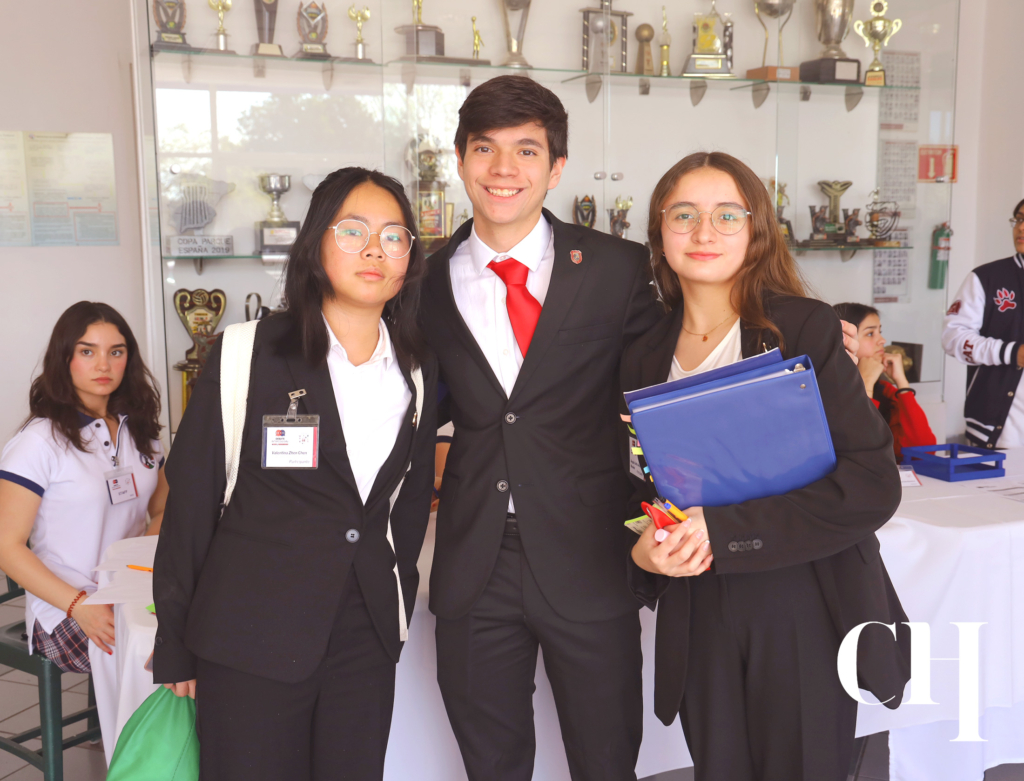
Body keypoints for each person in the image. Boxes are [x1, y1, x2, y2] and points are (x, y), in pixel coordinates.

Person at [621, 152, 911, 781]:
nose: (704, 231)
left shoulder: (800, 328)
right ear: (659, 231)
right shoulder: (643, 354)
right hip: (699, 610)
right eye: (683, 215)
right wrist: (644, 552)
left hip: (803, 602)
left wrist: (722, 530)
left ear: (756, 230)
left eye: (727, 215)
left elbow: (870, 483)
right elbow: (636, 489)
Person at [152, 167, 438, 781]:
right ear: (316, 243)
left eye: (393, 236)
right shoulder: (245, 352)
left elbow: (409, 506)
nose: (374, 250)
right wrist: (174, 642)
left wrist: (393, 608)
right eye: (353, 231)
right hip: (250, 636)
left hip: (362, 641)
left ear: (408, 260)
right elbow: (191, 507)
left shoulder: (416, 369)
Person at [419, 74, 662, 781]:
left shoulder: (617, 268)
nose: (504, 168)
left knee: (606, 759)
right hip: (474, 560)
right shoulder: (421, 282)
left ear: (556, 168)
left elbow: (657, 390)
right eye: (485, 148)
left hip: (590, 551)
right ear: (460, 160)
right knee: (491, 763)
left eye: (526, 150)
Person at [0, 301, 167, 764]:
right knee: (154, 657)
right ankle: (143, 765)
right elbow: (6, 547)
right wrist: (81, 606)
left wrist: (141, 570)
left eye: (116, 352)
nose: (103, 365)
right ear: (64, 358)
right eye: (87, 351)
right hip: (65, 606)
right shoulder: (39, 442)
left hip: (131, 589)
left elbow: (161, 509)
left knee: (203, 637)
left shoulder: (141, 431)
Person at [942, 197, 1024, 448]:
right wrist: (1012, 353)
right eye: (1019, 220)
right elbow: (953, 337)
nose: (1021, 227)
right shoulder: (987, 278)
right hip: (1001, 427)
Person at [834, 302, 936, 460]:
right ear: (844, 340)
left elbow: (924, 451)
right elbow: (860, 450)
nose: (882, 340)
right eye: (870, 334)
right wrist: (866, 383)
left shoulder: (883, 389)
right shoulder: (826, 389)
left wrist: (902, 382)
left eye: (879, 332)